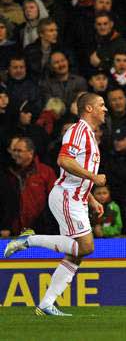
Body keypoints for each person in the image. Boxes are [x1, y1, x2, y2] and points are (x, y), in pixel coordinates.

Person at [4, 92, 107, 317]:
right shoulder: (77, 130)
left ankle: (46, 304)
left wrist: (91, 198)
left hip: (77, 198)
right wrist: (93, 177)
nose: (105, 109)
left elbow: (72, 170)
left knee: (76, 254)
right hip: (67, 198)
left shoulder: (89, 135)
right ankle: (28, 240)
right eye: (101, 105)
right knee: (86, 247)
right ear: (88, 109)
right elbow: (63, 160)